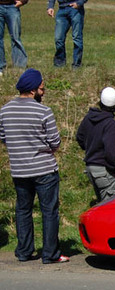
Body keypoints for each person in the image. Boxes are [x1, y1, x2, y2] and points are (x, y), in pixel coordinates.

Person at [0, 68, 69, 263]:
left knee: (23, 210)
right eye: (42, 88)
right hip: (44, 169)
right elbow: (55, 142)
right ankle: (50, 254)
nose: (44, 92)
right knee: (49, 211)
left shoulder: (5, 110)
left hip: (19, 170)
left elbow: (3, 137)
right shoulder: (43, 111)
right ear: (32, 91)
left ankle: (24, 251)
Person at [76, 86, 115, 202]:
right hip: (104, 170)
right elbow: (110, 152)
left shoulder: (89, 118)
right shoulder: (111, 124)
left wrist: (89, 148)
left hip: (90, 168)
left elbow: (79, 137)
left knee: (102, 205)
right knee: (114, 207)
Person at [46, 0, 86, 68]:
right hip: (62, 9)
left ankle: (76, 65)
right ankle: (59, 64)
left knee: (77, 38)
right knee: (58, 38)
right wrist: (50, 6)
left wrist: (79, 3)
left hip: (76, 9)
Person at [0, 0, 28, 75]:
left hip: (13, 6)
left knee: (15, 37)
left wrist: (23, 1)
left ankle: (19, 66)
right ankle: (0, 67)